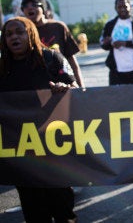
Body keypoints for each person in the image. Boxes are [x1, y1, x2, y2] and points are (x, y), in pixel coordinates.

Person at [0, 17, 78, 222]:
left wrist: (66, 89)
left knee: (62, 208)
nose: (14, 37)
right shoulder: (2, 67)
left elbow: (78, 94)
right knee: (33, 211)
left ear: (31, 33)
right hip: (21, 151)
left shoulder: (52, 59)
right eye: (8, 34)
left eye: (20, 32)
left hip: (54, 148)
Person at [21, 0, 85, 88]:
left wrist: (81, 88)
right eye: (25, 6)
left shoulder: (58, 27)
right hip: (37, 88)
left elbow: (71, 59)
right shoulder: (22, 32)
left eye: (34, 4)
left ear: (43, 8)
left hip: (62, 86)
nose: (30, 8)